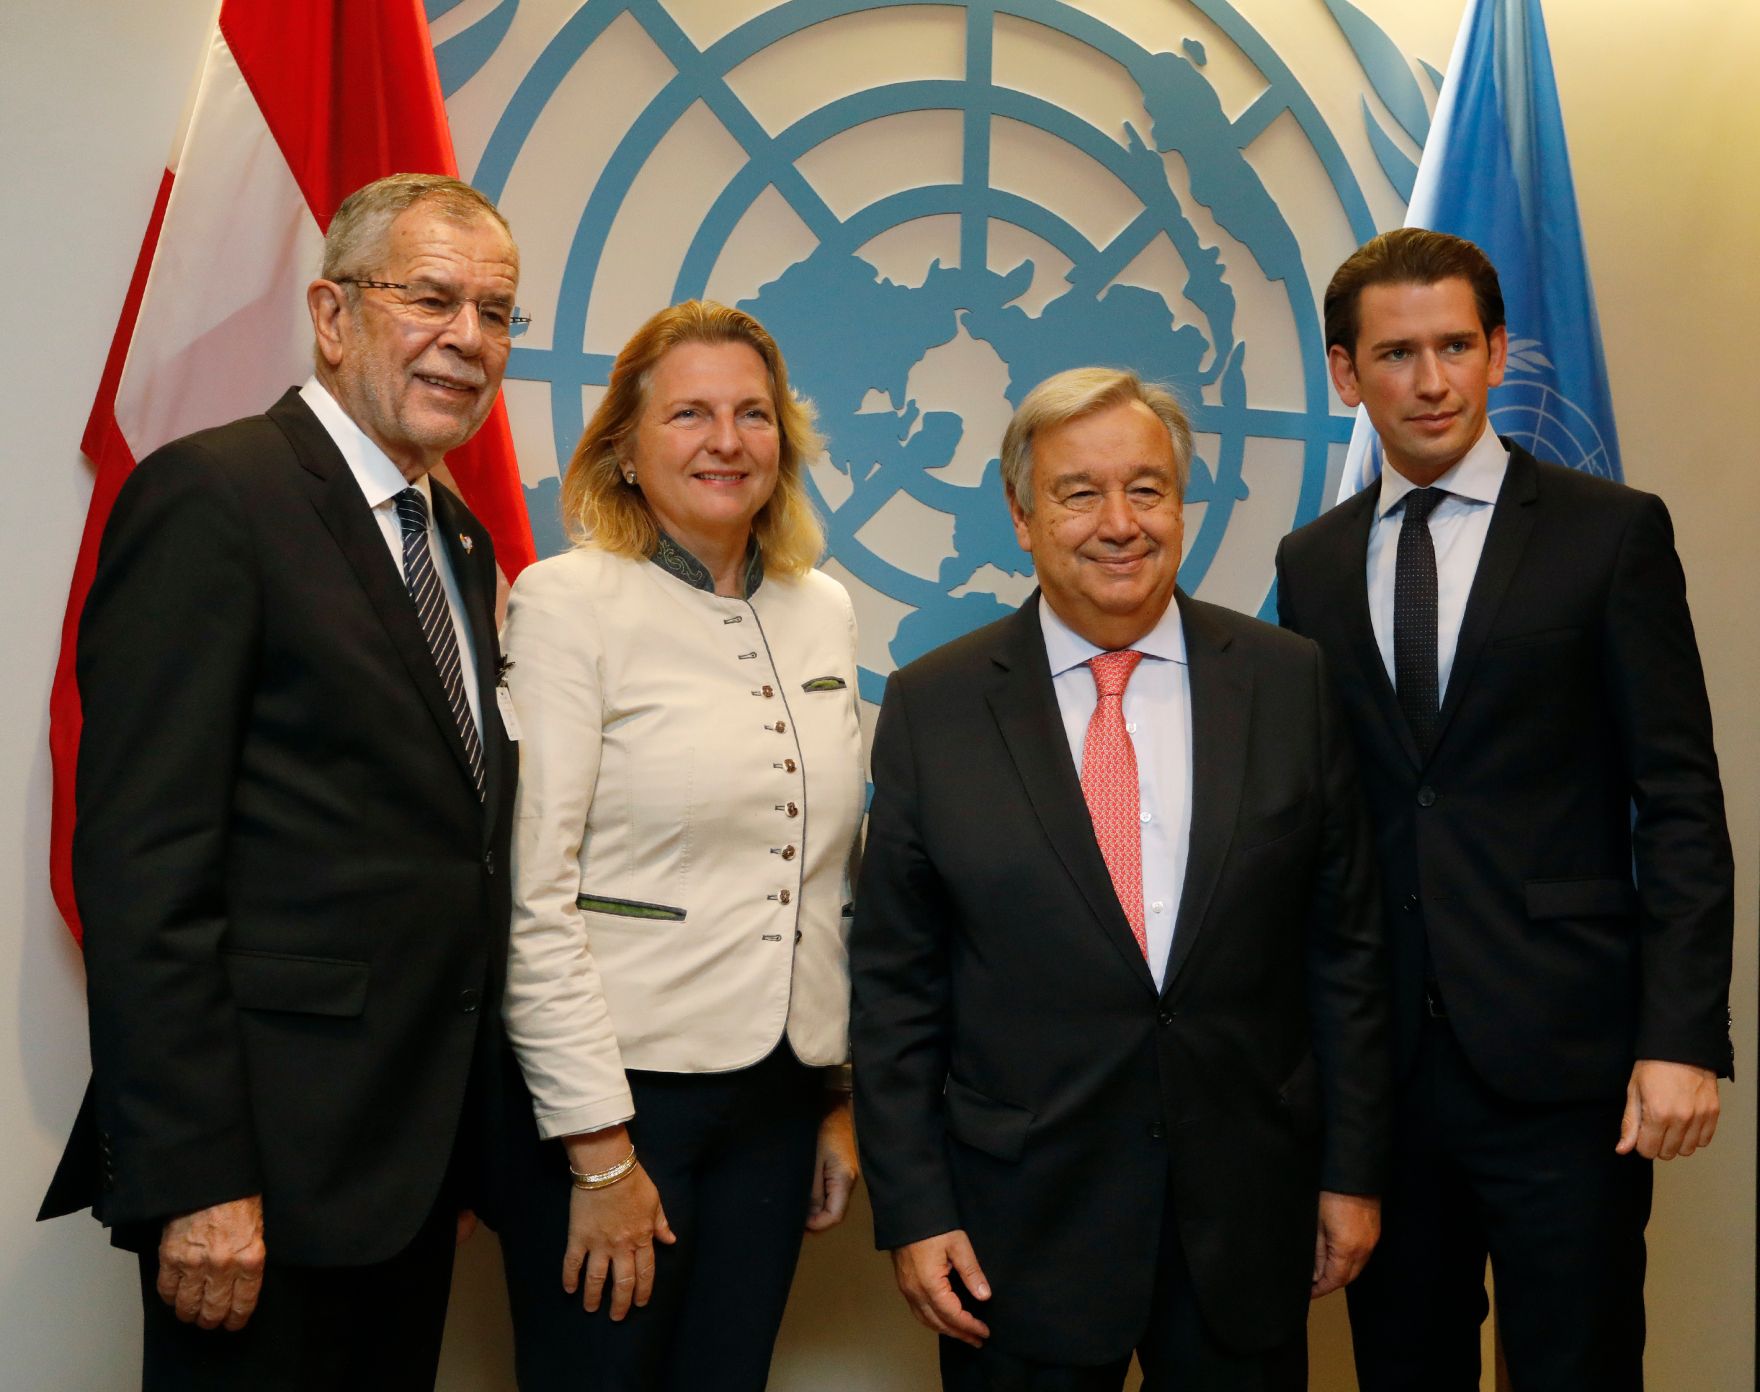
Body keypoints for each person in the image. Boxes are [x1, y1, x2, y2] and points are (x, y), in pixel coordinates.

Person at [37, 173, 522, 1388]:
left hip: (405, 1169)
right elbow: (145, 868)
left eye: (498, 312)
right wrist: (199, 1178)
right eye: (431, 298)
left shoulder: (455, 541)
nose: (468, 339)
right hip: (257, 1171)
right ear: (331, 311)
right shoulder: (216, 495)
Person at [850, 367, 1389, 1391]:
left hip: (1247, 1218)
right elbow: (895, 990)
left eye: (1146, 488)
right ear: (1020, 515)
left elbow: (1344, 954)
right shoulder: (936, 706)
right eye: (1077, 492)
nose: (1118, 523)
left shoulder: (1287, 681)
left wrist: (1351, 1174)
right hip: (1016, 1235)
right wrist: (916, 1211)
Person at [1274, 227, 1734, 1390]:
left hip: (1564, 1068)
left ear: (1495, 354)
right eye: (1393, 354)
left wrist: (1679, 1036)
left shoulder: (1608, 532)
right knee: (1399, 1368)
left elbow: (1676, 800)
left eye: (1452, 347)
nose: (1427, 381)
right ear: (1344, 374)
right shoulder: (1310, 564)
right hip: (1382, 1075)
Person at [494, 299, 864, 1391]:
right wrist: (599, 1153)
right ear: (623, 443)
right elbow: (532, 894)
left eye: (753, 414)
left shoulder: (823, 609)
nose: (726, 441)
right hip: (613, 1104)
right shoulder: (565, 602)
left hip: (776, 1098)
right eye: (690, 413)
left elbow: (825, 877)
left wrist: (835, 1097)